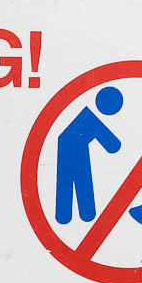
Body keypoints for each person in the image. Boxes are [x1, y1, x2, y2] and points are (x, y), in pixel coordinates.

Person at [55, 86, 123, 224]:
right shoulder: (86, 121)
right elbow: (113, 146)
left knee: (76, 206)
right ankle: (73, 216)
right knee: (75, 205)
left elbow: (113, 146)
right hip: (72, 151)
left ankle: (73, 216)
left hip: (73, 149)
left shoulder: (86, 122)